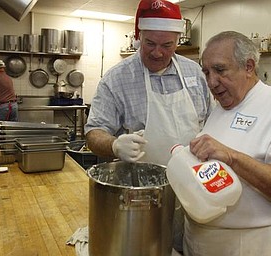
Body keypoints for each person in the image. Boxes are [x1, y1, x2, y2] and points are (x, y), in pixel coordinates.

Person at [84, 0, 215, 253]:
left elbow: (211, 123)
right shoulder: (117, 79)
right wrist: (114, 145)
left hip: (194, 190)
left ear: (178, 40)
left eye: (167, 45)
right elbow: (93, 133)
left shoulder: (195, 73)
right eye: (150, 44)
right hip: (143, 199)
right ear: (138, 37)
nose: (157, 53)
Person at [183, 31, 271, 255]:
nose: (212, 82)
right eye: (206, 72)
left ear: (249, 67)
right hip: (199, 240)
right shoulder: (221, 107)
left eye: (220, 70)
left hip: (246, 244)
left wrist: (232, 157)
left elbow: (229, 156)